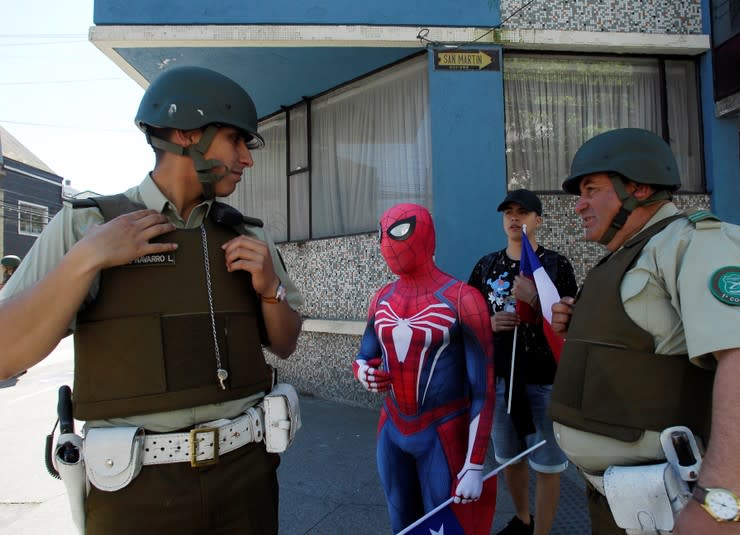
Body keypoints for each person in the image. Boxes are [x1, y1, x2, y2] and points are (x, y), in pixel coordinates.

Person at [0, 66, 303, 534]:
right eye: (235, 140)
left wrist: (271, 291)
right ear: (185, 134)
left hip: (246, 479)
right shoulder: (86, 227)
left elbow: (284, 344)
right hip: (134, 490)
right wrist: (85, 260)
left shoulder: (246, 235)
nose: (247, 158)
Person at [549, 128, 740, 534]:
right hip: (621, 501)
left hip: (676, 507)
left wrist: (720, 504)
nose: (579, 206)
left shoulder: (699, 242)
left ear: (638, 188)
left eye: (591, 189)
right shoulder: (627, 254)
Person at [352, 203, 496, 534]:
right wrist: (365, 373)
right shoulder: (381, 297)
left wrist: (475, 462)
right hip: (391, 427)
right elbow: (364, 355)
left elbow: (483, 387)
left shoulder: (463, 298)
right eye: (382, 233)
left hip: (442, 431)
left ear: (426, 235)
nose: (387, 242)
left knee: (446, 526)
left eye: (398, 231)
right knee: (402, 523)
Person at [468, 189, 577, 535]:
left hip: (546, 380)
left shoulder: (557, 264)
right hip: (502, 380)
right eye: (509, 213)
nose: (515, 218)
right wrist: (487, 322)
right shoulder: (486, 265)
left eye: (524, 212)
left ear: (538, 221)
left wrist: (536, 305)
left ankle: (542, 532)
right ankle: (523, 520)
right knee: (508, 459)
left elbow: (570, 321)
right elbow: (466, 316)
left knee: (548, 464)